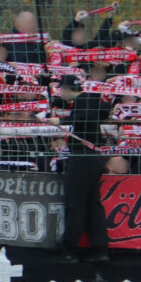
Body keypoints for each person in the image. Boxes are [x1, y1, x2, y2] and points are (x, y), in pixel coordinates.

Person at [53, 76, 111, 262]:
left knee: (75, 203)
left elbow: (86, 117)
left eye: (61, 90)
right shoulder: (88, 100)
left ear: (67, 89)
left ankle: (70, 249)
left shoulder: (84, 101)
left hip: (83, 157)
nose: (60, 94)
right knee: (92, 204)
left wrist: (60, 121)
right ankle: (100, 249)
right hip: (92, 157)